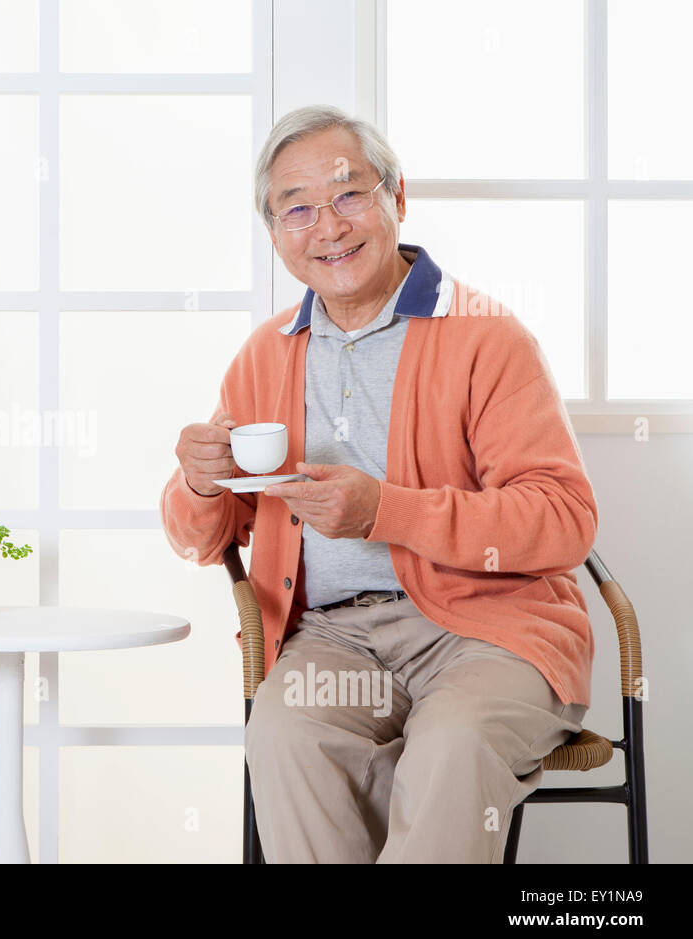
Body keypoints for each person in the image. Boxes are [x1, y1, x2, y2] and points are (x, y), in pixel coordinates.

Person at [160, 105, 597, 863]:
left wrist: (385, 511)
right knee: (286, 730)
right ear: (274, 236)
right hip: (330, 637)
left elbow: (562, 519)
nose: (326, 225)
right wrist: (197, 485)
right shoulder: (265, 355)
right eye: (296, 209)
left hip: (487, 632)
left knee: (452, 747)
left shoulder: (486, 338)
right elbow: (203, 540)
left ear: (397, 197)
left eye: (348, 194)